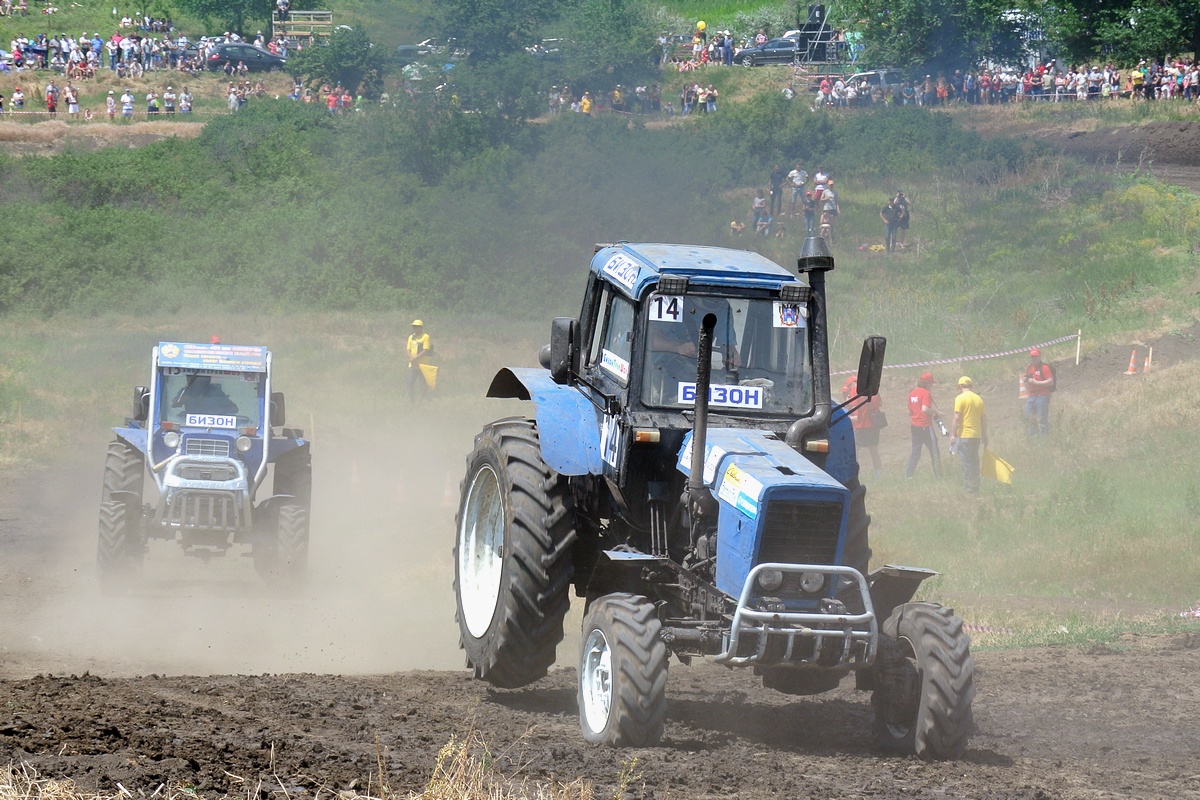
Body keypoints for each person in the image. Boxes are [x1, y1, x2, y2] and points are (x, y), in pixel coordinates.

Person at [951, 376, 987, 493]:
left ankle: (969, 487)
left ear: (960, 386)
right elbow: (983, 419)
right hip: (976, 435)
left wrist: (953, 434)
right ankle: (976, 485)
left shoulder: (959, 399)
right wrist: (984, 435)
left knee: (966, 462)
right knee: (975, 461)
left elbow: (957, 418)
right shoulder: (978, 399)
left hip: (964, 435)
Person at [843, 376, 883, 478]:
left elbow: (856, 416)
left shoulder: (855, 391)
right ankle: (878, 475)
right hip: (874, 426)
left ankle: (854, 476)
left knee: (855, 452)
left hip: (861, 427)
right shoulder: (873, 390)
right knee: (874, 452)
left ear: (852, 384)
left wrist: (845, 418)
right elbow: (880, 403)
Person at [906, 372, 943, 478]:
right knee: (934, 450)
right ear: (927, 383)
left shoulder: (912, 393)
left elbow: (909, 411)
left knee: (915, 452)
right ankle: (938, 475)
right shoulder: (926, 393)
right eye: (931, 383)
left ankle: (908, 476)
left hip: (915, 426)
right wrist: (937, 413)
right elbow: (925, 409)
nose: (932, 386)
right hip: (926, 426)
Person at [1024, 348, 1055, 436]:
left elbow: (1050, 381)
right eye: (1032, 357)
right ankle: (1033, 437)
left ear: (1039, 357)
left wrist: (1036, 383)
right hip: (1032, 396)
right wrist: (1026, 379)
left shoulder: (1044, 367)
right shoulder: (1029, 367)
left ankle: (1044, 438)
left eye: (1035, 357)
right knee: (1030, 418)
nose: (1034, 359)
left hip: (1042, 395)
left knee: (1042, 418)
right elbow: (1025, 377)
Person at [406, 319, 433, 402]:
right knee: (410, 383)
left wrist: (414, 359)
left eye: (416, 327)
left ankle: (424, 399)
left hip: (422, 365)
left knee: (423, 383)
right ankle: (412, 401)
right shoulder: (411, 337)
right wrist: (411, 359)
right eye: (413, 326)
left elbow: (426, 350)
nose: (414, 328)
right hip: (413, 365)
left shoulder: (425, 337)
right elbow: (408, 349)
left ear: (421, 328)